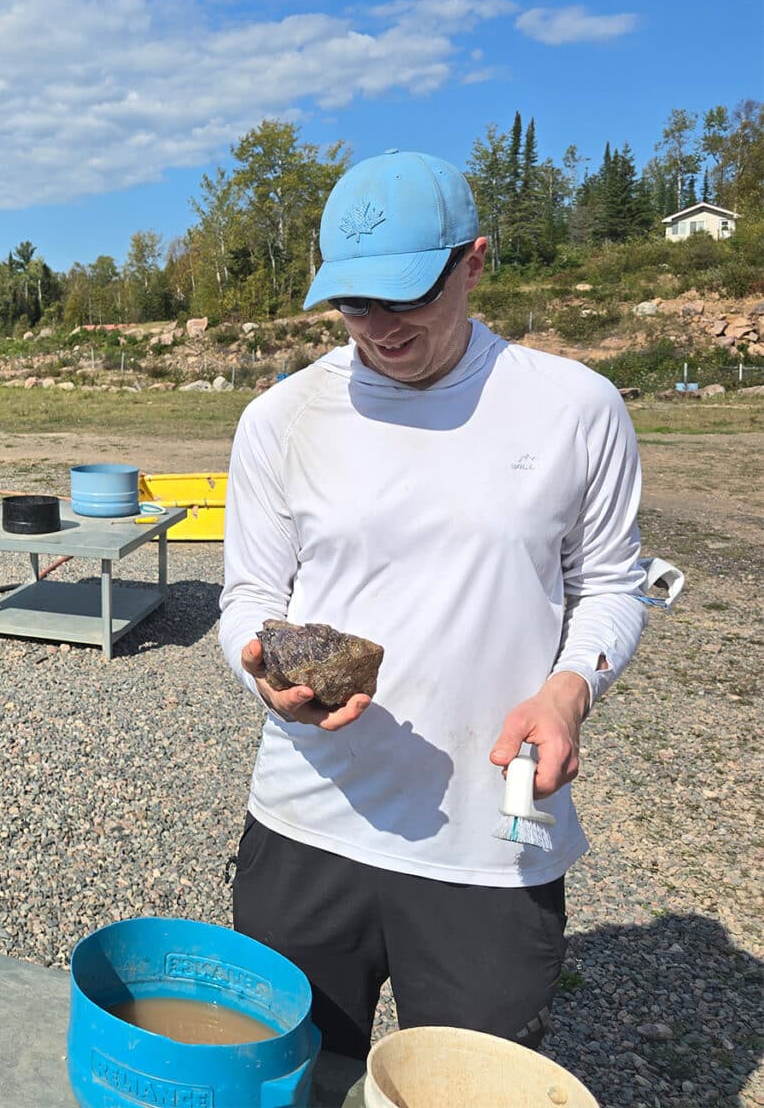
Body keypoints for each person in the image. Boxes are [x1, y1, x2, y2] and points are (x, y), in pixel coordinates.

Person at [219, 149, 647, 1098]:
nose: (380, 328)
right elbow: (248, 594)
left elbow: (614, 584)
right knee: (285, 1080)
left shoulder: (573, 407)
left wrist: (569, 692)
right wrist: (256, 668)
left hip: (489, 842)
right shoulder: (281, 419)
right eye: (354, 304)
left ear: (475, 262)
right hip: (304, 822)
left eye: (405, 296)